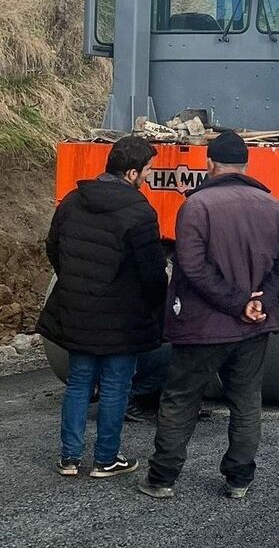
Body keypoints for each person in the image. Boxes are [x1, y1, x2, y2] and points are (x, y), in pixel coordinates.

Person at [138, 132, 279, 500]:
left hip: (201, 325)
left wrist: (235, 302)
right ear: (247, 165)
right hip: (252, 328)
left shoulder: (197, 206)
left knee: (180, 398)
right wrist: (262, 302)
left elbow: (192, 267)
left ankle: (162, 479)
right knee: (245, 401)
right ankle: (239, 479)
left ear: (210, 164)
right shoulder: (274, 206)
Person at [38, 137, 167, 479]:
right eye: (148, 172)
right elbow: (152, 272)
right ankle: (106, 460)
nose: (149, 179)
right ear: (131, 172)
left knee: (80, 383)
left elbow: (54, 247)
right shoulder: (140, 211)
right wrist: (157, 306)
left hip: (79, 312)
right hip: (122, 319)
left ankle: (69, 459)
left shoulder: (72, 201)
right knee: (115, 386)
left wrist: (76, 282)